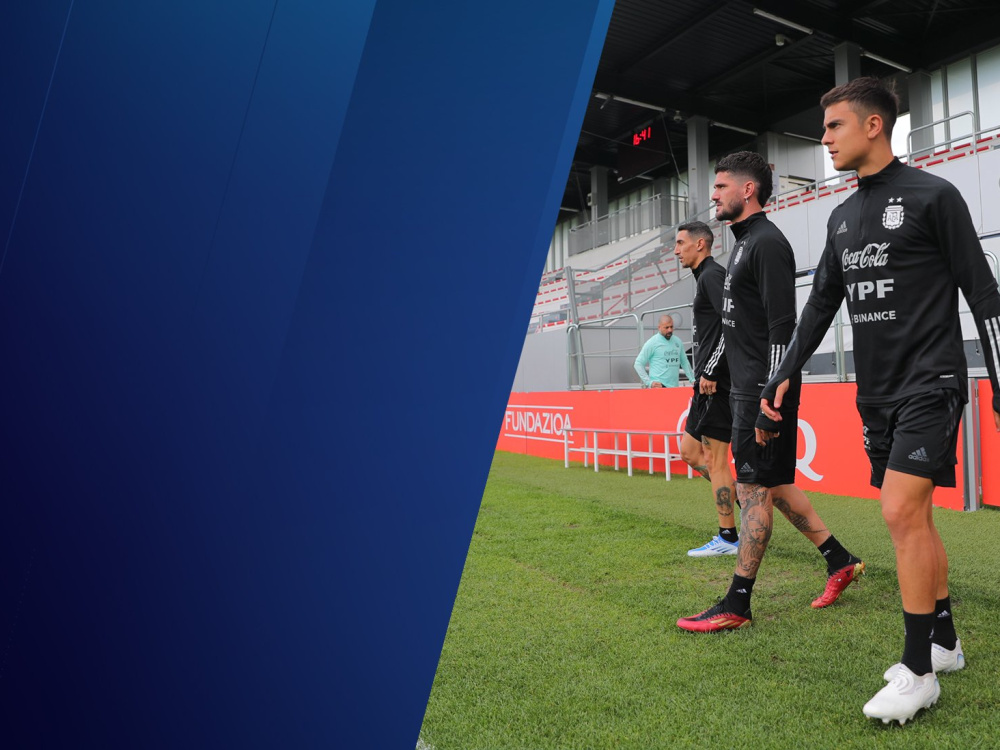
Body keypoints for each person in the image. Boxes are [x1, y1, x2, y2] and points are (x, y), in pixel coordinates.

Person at [760, 77, 1000, 725]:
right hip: (877, 394)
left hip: (932, 381)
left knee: (899, 512)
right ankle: (945, 641)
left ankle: (918, 672)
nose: (824, 138)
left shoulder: (934, 195)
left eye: (834, 125)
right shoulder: (841, 218)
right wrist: (783, 373)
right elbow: (819, 308)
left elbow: (983, 293)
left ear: (873, 126)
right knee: (916, 518)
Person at [676, 151, 864, 635]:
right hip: (747, 387)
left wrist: (769, 398)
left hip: (760, 390)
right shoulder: (744, 243)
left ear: (748, 190)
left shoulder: (768, 243)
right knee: (773, 485)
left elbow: (784, 328)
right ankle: (840, 560)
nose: (714, 194)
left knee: (754, 488)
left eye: (721, 186)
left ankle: (737, 603)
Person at [673, 221, 739, 557]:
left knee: (715, 459)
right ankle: (744, 500)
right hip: (703, 383)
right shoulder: (704, 278)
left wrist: (711, 369)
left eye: (680, 243)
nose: (676, 250)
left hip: (717, 383)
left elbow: (732, 326)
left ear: (700, 244)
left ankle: (728, 538)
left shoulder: (713, 275)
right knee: (689, 451)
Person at [633, 315, 694, 388]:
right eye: (666, 327)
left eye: (671, 327)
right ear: (659, 327)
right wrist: (649, 382)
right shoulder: (652, 342)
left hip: (674, 388)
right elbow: (638, 363)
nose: (670, 330)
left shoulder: (678, 341)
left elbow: (684, 362)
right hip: (658, 389)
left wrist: (692, 379)